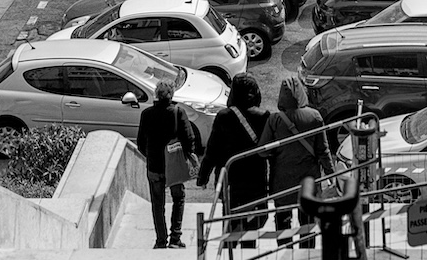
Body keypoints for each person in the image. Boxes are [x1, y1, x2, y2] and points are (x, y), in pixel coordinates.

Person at [261, 75, 336, 248]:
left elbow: (263, 151)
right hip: (308, 182)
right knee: (307, 222)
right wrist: (331, 175)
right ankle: (306, 251)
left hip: (282, 182)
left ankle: (285, 250)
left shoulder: (274, 119)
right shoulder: (314, 117)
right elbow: (323, 151)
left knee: (283, 220)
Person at [199, 76, 269, 246]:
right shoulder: (264, 117)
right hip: (255, 180)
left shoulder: (224, 116)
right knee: (251, 228)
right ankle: (248, 253)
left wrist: (203, 176)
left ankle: (229, 253)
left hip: (230, 181)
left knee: (230, 224)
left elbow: (212, 150)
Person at [136, 81, 199, 249]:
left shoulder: (147, 114)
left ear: (156, 95)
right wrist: (187, 155)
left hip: (154, 166)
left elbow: (140, 142)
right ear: (172, 94)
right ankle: (175, 238)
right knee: (178, 198)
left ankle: (161, 240)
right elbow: (189, 138)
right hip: (174, 166)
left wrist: (150, 156)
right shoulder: (178, 112)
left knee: (157, 204)